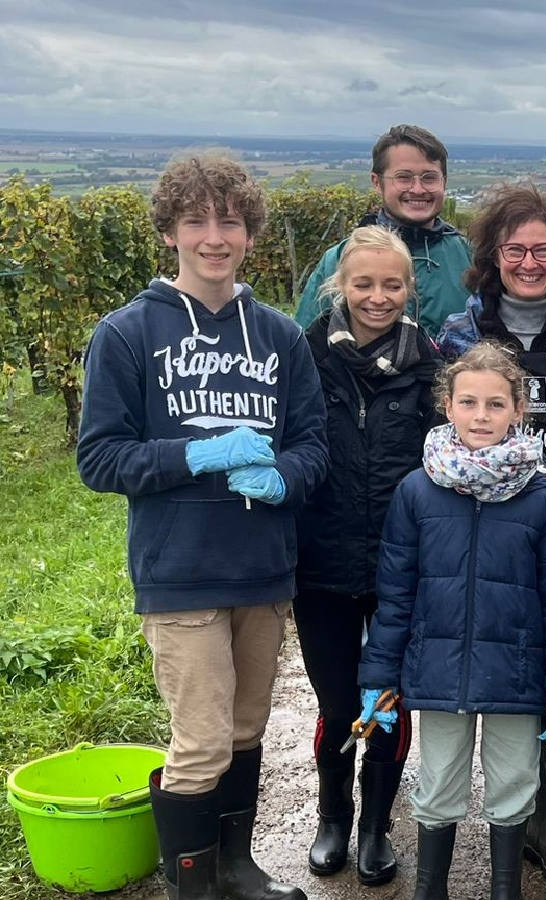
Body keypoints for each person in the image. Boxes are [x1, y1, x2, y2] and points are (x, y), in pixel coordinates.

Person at [77, 152, 329, 900]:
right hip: (180, 571)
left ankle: (236, 867)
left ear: (249, 232)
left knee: (247, 730)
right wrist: (197, 454)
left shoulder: (281, 337)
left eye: (229, 221)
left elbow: (314, 446)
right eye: (196, 221)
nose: (213, 237)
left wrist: (283, 476)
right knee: (201, 742)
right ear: (170, 233)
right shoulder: (127, 334)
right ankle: (193, 888)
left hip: (261, 566)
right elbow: (99, 457)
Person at [434, 186, 546, 889]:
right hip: (484, 521)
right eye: (515, 250)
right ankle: (497, 815)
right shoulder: (458, 334)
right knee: (503, 662)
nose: (529, 262)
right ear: (493, 256)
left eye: (543, 249)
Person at [358, 343, 546, 900]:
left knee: (512, 784)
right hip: (437, 672)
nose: (481, 416)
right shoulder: (416, 492)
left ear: (517, 411)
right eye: (468, 402)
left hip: (516, 672)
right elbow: (395, 594)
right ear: (447, 406)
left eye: (494, 404)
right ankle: (429, 889)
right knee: (437, 785)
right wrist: (378, 675)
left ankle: (505, 889)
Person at [294, 226, 441, 886]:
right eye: (363, 283)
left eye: (391, 285)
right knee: (335, 702)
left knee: (383, 701)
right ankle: (332, 817)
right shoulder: (306, 355)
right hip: (320, 565)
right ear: (339, 286)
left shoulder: (429, 362)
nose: (377, 297)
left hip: (396, 570)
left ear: (409, 290)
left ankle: (376, 827)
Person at [295, 125, 472, 337]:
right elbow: (304, 347)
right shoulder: (340, 259)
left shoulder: (469, 257)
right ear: (377, 183)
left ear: (444, 181)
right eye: (404, 177)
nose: (417, 189)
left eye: (429, 177)